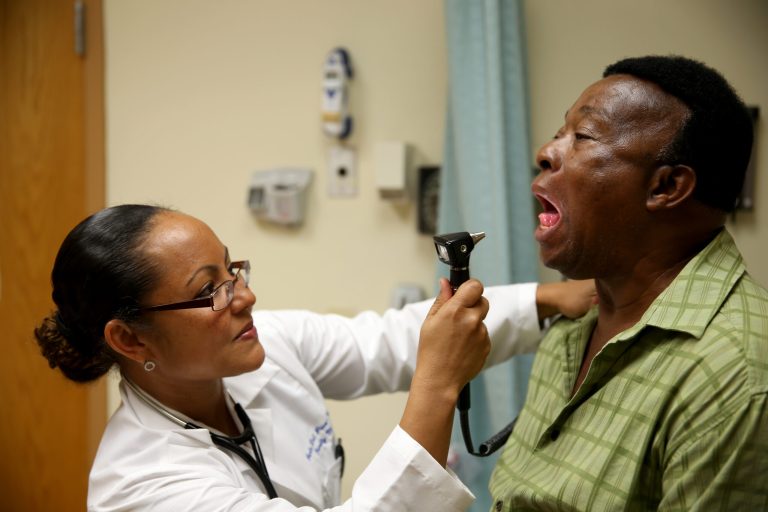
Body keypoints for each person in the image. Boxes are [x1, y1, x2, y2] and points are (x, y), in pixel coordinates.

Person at [34, 204, 595, 511]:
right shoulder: (143, 487)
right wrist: (439, 385)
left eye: (234, 270)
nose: (244, 295)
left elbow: (390, 341)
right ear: (130, 340)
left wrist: (548, 299)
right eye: (211, 289)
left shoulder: (262, 345)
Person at [488, 55, 768, 510]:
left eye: (582, 136)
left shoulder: (732, 375)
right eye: (561, 133)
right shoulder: (571, 332)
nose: (546, 151)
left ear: (666, 187)